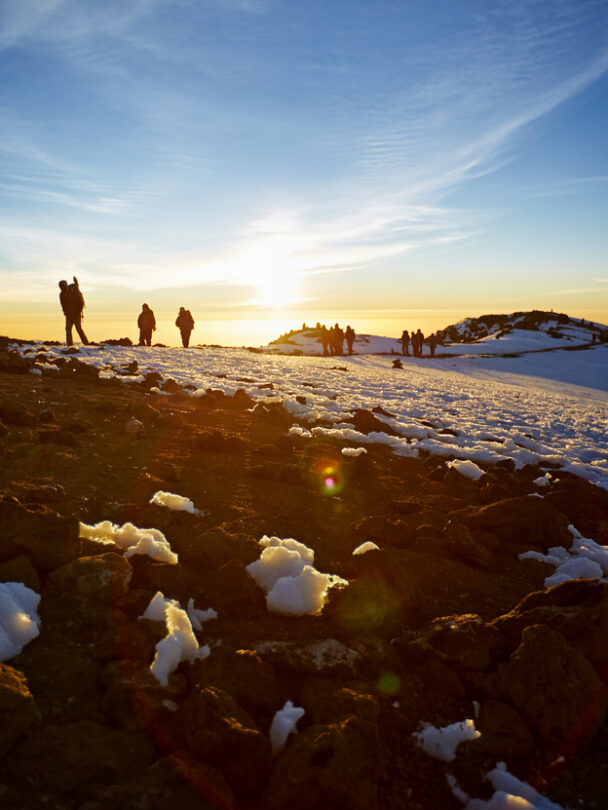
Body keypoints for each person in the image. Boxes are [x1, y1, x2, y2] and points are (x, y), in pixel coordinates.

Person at [58, 276, 89, 346]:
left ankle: (85, 343)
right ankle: (71, 345)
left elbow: (63, 305)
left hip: (75, 314)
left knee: (77, 329)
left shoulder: (71, 291)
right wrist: (66, 313)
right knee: (71, 329)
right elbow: (63, 305)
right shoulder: (62, 294)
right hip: (70, 314)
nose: (61, 288)